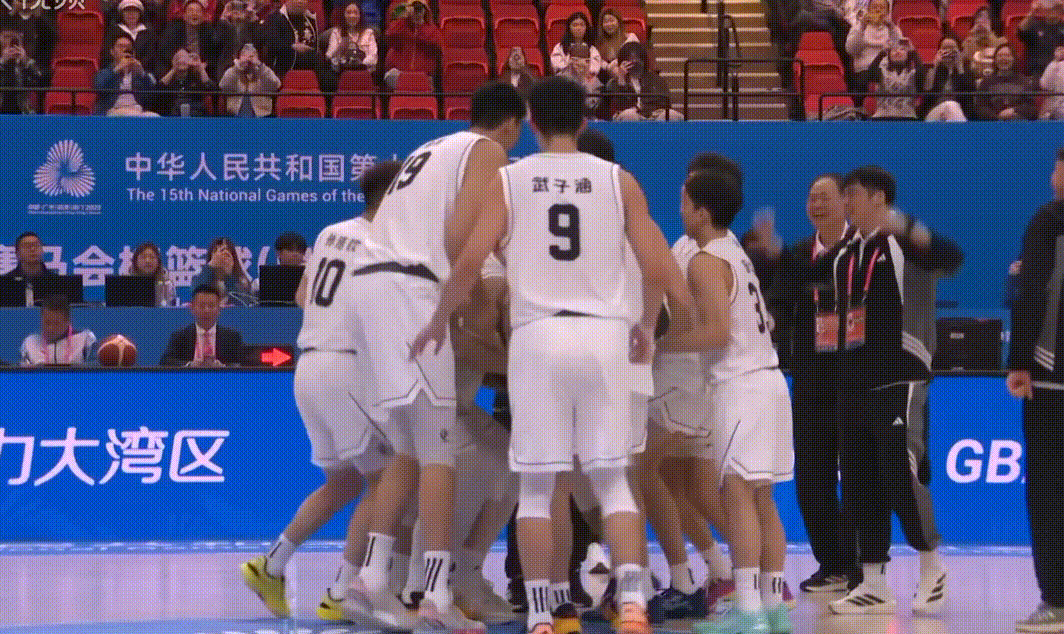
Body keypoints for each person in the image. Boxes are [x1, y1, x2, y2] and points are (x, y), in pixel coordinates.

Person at [408, 76, 694, 634]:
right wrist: (649, 322)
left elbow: (470, 259)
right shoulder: (618, 179)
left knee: (538, 487)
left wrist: (439, 319)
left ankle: (542, 613)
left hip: (538, 338)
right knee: (613, 481)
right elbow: (656, 259)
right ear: (584, 122)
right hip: (604, 337)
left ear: (532, 123)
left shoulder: (509, 179)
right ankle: (632, 602)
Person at [337, 81, 526, 632]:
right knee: (439, 454)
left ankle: (370, 580)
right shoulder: (488, 152)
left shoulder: (432, 147)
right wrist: (463, 300)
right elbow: (461, 237)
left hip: (371, 289)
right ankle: (438, 598)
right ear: (510, 126)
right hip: (410, 290)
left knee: (408, 448)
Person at [241, 159, 403, 622]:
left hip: (309, 365)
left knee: (345, 482)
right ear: (395, 195)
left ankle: (271, 565)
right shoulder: (386, 242)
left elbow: (301, 297)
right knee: (386, 477)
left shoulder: (332, 232)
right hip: (345, 367)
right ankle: (343, 590)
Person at [654, 168, 792, 634]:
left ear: (701, 212)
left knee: (737, 496)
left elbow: (715, 333)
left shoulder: (705, 260)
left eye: (684, 202)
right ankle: (772, 607)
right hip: (769, 382)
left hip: (741, 385)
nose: (680, 211)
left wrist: (657, 346)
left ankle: (748, 610)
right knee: (762, 499)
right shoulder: (736, 252)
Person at [828, 166, 963, 616]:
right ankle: (873, 582)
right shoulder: (845, 255)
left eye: (852, 194)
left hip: (901, 377)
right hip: (853, 384)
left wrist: (908, 225)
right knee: (859, 483)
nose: (846, 202)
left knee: (902, 475)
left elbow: (952, 258)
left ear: (878, 197)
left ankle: (932, 567)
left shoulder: (904, 242)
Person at [766, 174, 859, 594]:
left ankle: (860, 564)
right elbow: (779, 305)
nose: (816, 204)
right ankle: (832, 563)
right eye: (811, 197)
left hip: (856, 381)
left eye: (824, 197)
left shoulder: (863, 249)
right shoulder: (797, 254)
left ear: (846, 201)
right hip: (810, 382)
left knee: (857, 476)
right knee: (812, 478)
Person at [1007, 147, 1064, 634]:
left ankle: (1057, 598)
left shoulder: (1048, 221)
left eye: (1057, 167)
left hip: (1050, 377)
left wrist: (1020, 360)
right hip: (1050, 376)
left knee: (1048, 489)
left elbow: (1033, 292)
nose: (1052, 176)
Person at [159, 283, 245, 366]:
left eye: (211, 306)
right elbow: (165, 361)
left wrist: (223, 367)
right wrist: (189, 365)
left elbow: (241, 363)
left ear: (219, 309)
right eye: (201, 306)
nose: (206, 310)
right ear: (192, 309)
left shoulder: (232, 337)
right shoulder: (180, 335)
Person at [19, 295, 97, 367]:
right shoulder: (30, 343)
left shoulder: (85, 340)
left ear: (68, 321)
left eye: (56, 323)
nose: (50, 328)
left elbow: (95, 371)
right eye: (47, 322)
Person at [94, 35, 160, 116]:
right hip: (113, 110)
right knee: (133, 115)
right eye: (120, 46)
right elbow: (98, 86)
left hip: (138, 110)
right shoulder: (105, 72)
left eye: (128, 47)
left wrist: (142, 73)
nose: (125, 50)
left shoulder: (139, 73)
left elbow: (153, 94)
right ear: (112, 52)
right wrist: (117, 69)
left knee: (155, 117)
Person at [382, 0, 441, 90]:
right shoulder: (401, 25)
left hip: (423, 76)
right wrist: (405, 19)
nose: (417, 11)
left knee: (424, 82)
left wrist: (421, 26)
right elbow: (390, 35)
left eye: (420, 8)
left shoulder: (432, 29)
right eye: (414, 8)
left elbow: (436, 47)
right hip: (398, 73)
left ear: (426, 11)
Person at [920, 35, 977, 121]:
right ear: (939, 51)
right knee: (950, 105)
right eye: (945, 48)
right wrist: (935, 67)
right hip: (934, 111)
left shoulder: (966, 71)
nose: (948, 52)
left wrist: (960, 67)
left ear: (959, 51)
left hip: (960, 111)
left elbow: (970, 93)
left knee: (951, 106)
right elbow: (926, 90)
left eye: (952, 49)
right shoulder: (933, 70)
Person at [975, 43, 1039, 120]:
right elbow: (980, 108)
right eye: (1000, 56)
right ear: (995, 60)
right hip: (994, 124)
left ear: (1014, 59)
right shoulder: (986, 82)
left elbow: (1032, 109)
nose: (1003, 58)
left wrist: (1014, 110)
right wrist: (998, 117)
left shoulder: (1024, 81)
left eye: (1007, 55)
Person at [218, 42, 281, 116]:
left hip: (261, 118)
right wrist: (236, 68)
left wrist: (260, 66)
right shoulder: (232, 71)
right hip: (235, 117)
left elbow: (276, 85)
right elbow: (223, 86)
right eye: (244, 55)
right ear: (238, 58)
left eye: (252, 55)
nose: (248, 59)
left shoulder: (264, 71)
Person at [867, 39, 924, 119]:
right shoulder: (881, 72)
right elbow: (870, 73)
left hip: (907, 118)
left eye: (902, 49)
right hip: (882, 117)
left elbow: (922, 75)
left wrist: (913, 51)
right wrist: (882, 52)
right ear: (889, 55)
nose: (898, 52)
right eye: (894, 50)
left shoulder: (913, 73)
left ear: (908, 55)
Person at [193, 237, 257, 306]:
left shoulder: (242, 280)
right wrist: (210, 266)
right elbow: (196, 295)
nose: (221, 256)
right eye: (216, 251)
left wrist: (229, 276)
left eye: (227, 253)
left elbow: (243, 305)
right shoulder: (201, 274)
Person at [101, 0, 159, 72]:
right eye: (127, 10)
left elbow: (152, 56)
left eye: (135, 11)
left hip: (142, 72)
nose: (131, 14)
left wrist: (137, 65)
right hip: (117, 70)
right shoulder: (113, 31)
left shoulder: (149, 33)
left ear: (140, 13)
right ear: (122, 13)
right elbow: (107, 55)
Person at [4, 231, 58, 306]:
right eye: (27, 246)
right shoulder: (5, 284)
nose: (32, 249)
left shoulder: (56, 282)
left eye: (36, 245)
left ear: (42, 251)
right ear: (17, 253)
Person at [158, 48, 217, 116]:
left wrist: (200, 68)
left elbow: (214, 91)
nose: (181, 61)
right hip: (172, 116)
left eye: (185, 58)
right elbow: (157, 93)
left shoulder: (196, 76)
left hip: (196, 115)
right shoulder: (166, 77)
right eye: (178, 58)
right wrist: (174, 69)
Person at [326, 1, 377, 74]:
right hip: (342, 72)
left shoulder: (369, 32)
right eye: (348, 13)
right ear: (344, 15)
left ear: (360, 15)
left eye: (355, 13)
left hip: (363, 72)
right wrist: (340, 49)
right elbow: (329, 56)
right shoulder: (336, 32)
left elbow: (373, 56)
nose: (352, 16)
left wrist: (360, 64)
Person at [0, 32, 40, 114]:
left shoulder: (28, 63)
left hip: (23, 111)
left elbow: (40, 80)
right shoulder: (1, 63)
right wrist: (2, 62)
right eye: (6, 37)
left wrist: (25, 60)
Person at [595, 8, 639, 82]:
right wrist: (608, 67)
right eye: (605, 22)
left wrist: (615, 64)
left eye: (611, 20)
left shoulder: (631, 38)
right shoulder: (600, 42)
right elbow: (599, 60)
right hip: (609, 78)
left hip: (630, 75)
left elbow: (635, 59)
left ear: (618, 22)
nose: (609, 24)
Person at [129, 242, 178, 307]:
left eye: (152, 257)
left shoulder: (167, 284)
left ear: (158, 261)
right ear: (135, 261)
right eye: (143, 257)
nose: (148, 261)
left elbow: (170, 309)